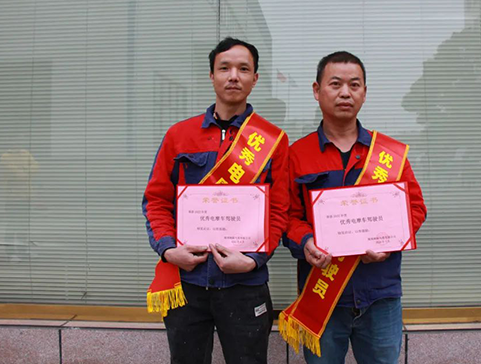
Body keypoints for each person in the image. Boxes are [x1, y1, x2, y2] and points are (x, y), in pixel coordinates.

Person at [143, 37, 289, 364]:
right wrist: (168, 249)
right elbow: (156, 200)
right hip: (186, 282)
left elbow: (280, 211)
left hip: (245, 283)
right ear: (212, 76)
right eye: (224, 68)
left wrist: (254, 259)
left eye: (243, 69)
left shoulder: (273, 141)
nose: (233, 76)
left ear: (255, 78)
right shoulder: (179, 135)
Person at [281, 51, 427, 364]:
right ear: (317, 90)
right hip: (321, 295)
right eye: (335, 84)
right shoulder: (297, 154)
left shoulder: (388, 154)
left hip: (380, 294)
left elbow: (415, 208)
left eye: (354, 85)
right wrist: (306, 241)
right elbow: (288, 216)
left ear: (364, 92)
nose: (345, 93)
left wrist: (388, 241)